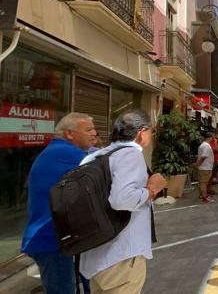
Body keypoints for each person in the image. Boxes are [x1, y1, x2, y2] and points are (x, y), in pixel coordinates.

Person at [80, 110, 168, 294]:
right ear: (141, 132)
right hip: (121, 256)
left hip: (96, 253)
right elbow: (122, 199)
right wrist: (152, 189)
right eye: (151, 132)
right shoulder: (130, 154)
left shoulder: (96, 156)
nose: (151, 136)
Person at [21, 113, 96, 294]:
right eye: (88, 130)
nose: (94, 133)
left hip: (51, 239)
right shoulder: (67, 152)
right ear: (70, 134)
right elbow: (104, 173)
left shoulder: (57, 151)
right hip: (51, 241)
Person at [195, 133, 216, 203]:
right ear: (209, 137)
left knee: (202, 182)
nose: (213, 138)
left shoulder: (203, 145)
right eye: (212, 137)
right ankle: (204, 197)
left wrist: (198, 164)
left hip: (205, 167)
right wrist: (198, 164)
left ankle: (202, 195)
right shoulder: (206, 146)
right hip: (205, 167)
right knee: (203, 183)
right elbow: (203, 156)